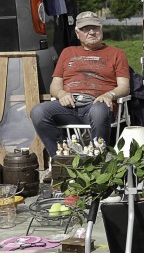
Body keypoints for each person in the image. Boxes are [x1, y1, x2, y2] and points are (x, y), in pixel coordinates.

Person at [30, 11, 130, 157]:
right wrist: (61, 93)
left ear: (101, 30)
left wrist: (109, 94)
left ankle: (97, 160)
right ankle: (61, 157)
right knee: (38, 112)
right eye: (85, 29)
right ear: (77, 33)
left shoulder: (116, 53)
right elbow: (54, 86)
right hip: (69, 106)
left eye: (95, 28)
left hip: (97, 105)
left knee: (98, 111)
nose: (91, 32)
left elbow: (124, 86)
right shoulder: (67, 52)